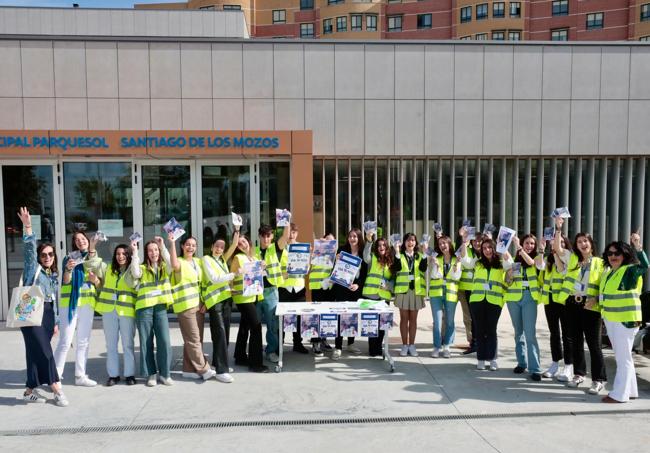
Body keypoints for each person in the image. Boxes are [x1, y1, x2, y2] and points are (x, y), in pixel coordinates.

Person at [16, 207, 68, 407]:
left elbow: (54, 300)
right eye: (44, 254)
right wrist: (28, 226)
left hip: (46, 316)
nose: (47, 257)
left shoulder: (52, 275)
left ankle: (29, 391)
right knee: (45, 353)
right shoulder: (33, 268)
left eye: (51, 254)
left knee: (34, 354)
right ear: (39, 257)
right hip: (31, 314)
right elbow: (29, 247)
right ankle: (56, 388)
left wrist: (55, 322)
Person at [600, 233, 648, 403]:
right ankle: (631, 390)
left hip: (625, 320)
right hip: (612, 320)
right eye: (610, 253)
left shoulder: (629, 271)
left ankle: (619, 394)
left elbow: (644, 266)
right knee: (624, 356)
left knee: (623, 358)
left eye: (617, 253)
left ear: (625, 255)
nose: (613, 256)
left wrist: (638, 246)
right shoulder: (609, 273)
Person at [558, 232, 606, 393]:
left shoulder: (601, 262)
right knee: (576, 342)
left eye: (585, 241)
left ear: (591, 243)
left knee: (594, 345)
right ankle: (579, 374)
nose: (582, 244)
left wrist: (597, 300)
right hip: (572, 304)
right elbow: (557, 248)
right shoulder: (573, 260)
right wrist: (559, 228)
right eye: (579, 242)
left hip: (590, 306)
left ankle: (598, 379)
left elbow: (605, 285)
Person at [54, 230, 104, 387]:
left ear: (88, 241)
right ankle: (55, 376)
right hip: (69, 304)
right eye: (77, 240)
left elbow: (99, 282)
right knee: (65, 341)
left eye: (83, 238)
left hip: (87, 304)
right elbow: (66, 281)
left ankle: (80, 376)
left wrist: (95, 280)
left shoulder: (94, 259)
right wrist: (68, 269)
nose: (81, 241)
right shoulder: (69, 258)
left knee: (83, 341)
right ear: (74, 243)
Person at [169, 235, 216, 382]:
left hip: (198, 305)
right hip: (185, 306)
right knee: (194, 339)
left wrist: (205, 302)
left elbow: (203, 284)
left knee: (196, 339)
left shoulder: (198, 262)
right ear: (182, 246)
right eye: (188, 245)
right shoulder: (180, 263)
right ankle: (204, 369)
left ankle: (188, 369)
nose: (191, 247)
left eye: (193, 245)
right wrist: (172, 243)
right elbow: (174, 263)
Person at [131, 237, 174, 387]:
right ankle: (151, 374)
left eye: (155, 250)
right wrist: (135, 252)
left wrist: (163, 247)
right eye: (150, 250)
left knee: (164, 341)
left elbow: (172, 264)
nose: (153, 252)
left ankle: (165, 374)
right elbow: (135, 273)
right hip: (144, 309)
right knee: (146, 343)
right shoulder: (142, 268)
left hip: (160, 307)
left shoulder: (164, 267)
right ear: (146, 253)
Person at [95, 242, 139, 386]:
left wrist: (135, 252)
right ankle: (113, 375)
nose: (120, 256)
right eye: (118, 254)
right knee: (111, 345)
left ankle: (129, 374)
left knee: (128, 344)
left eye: (124, 254)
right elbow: (95, 263)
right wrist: (93, 247)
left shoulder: (133, 271)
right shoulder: (108, 270)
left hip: (126, 312)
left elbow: (137, 274)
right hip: (109, 311)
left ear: (128, 256)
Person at [504, 234, 544, 381]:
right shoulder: (515, 262)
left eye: (532, 244)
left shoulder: (538, 259)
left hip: (529, 299)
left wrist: (519, 246)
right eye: (527, 243)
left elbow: (533, 263)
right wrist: (508, 275)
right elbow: (508, 282)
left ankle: (535, 369)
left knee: (530, 334)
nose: (530, 246)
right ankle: (522, 362)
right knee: (518, 332)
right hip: (513, 299)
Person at [462, 237, 506, 371]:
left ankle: (492, 359)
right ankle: (481, 359)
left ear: (494, 248)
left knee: (492, 331)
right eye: (484, 248)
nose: (487, 250)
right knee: (480, 331)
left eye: (489, 247)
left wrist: (503, 247)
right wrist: (464, 242)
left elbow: (510, 263)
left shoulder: (500, 263)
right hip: (477, 301)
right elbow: (466, 262)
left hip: (494, 301)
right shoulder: (477, 263)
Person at [202, 231, 239, 383]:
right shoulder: (206, 259)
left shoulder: (222, 260)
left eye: (222, 247)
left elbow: (235, 244)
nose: (219, 249)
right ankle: (221, 371)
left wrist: (236, 229)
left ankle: (218, 363)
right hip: (214, 302)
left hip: (226, 300)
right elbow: (215, 279)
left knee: (225, 334)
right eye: (217, 246)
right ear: (211, 247)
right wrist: (233, 275)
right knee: (220, 334)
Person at [539, 217, 574, 381]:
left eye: (559, 243)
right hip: (550, 301)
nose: (556, 246)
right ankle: (555, 364)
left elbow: (561, 270)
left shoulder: (568, 258)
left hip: (565, 301)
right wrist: (541, 249)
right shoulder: (548, 261)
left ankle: (568, 366)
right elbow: (538, 265)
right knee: (554, 333)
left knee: (567, 334)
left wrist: (558, 228)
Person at [231, 235, 268, 372]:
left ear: (249, 242)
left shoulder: (253, 257)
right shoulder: (238, 258)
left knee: (244, 326)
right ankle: (255, 364)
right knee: (256, 327)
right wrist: (236, 275)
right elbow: (232, 275)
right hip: (242, 298)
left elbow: (259, 275)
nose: (242, 244)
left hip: (252, 296)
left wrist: (263, 267)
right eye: (239, 243)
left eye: (244, 241)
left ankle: (240, 356)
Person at [255, 223, 290, 363]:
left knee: (272, 325)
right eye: (263, 236)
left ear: (272, 236)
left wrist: (286, 221)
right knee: (255, 325)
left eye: (268, 236)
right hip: (256, 292)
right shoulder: (253, 251)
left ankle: (270, 351)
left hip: (271, 292)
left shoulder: (275, 249)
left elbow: (286, 236)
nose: (265, 239)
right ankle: (255, 351)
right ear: (259, 236)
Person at [332, 228, 367, 359]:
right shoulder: (342, 251)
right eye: (350, 236)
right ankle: (338, 347)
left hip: (355, 289)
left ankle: (351, 344)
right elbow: (336, 270)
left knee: (352, 317)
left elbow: (364, 274)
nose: (352, 239)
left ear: (359, 238)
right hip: (342, 289)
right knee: (341, 317)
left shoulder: (363, 254)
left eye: (355, 236)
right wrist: (336, 260)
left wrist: (358, 285)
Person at [391, 232, 427, 357]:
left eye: (413, 240)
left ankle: (412, 345)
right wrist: (396, 252)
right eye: (408, 240)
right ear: (404, 243)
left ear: (416, 243)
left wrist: (425, 253)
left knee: (413, 320)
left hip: (416, 291)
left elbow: (423, 269)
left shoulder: (420, 256)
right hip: (403, 291)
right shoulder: (399, 256)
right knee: (404, 319)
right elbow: (396, 268)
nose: (410, 242)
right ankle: (404, 345)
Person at [278, 223, 310, 354]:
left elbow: (307, 268)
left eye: (294, 232)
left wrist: (306, 267)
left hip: (298, 287)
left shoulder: (302, 248)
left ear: (297, 233)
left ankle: (298, 343)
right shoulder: (280, 248)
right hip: (284, 287)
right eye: (289, 232)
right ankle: (279, 344)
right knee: (282, 318)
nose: (291, 235)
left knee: (298, 318)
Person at [429, 235, 461, 358]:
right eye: (440, 244)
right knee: (437, 322)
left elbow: (456, 276)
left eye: (444, 243)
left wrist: (456, 265)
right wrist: (436, 265)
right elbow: (434, 275)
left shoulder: (456, 259)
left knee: (449, 321)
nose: (442, 246)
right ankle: (437, 347)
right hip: (436, 294)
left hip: (451, 294)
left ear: (449, 244)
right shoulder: (437, 258)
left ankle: (447, 346)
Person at [362, 233, 394, 357]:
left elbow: (393, 279)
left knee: (382, 325)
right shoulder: (372, 257)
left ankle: (379, 347)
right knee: (372, 324)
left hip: (384, 297)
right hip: (371, 295)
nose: (381, 247)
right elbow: (365, 257)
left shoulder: (391, 261)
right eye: (379, 245)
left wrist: (389, 286)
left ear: (387, 247)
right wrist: (369, 241)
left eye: (383, 245)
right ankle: (372, 349)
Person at [308, 233, 336, 355]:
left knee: (326, 316)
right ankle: (315, 342)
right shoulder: (316, 252)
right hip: (317, 287)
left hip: (328, 288)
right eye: (327, 240)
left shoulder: (335, 255)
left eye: (332, 241)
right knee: (316, 316)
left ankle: (323, 339)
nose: (329, 243)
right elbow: (308, 266)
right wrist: (313, 251)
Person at [458, 231, 484, 355]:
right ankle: (474, 343)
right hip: (468, 289)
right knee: (471, 317)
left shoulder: (487, 251)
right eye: (475, 241)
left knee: (480, 318)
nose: (477, 243)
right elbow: (465, 260)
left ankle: (480, 343)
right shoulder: (468, 251)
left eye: (479, 241)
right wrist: (464, 242)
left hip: (481, 289)